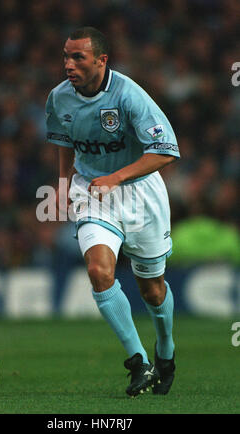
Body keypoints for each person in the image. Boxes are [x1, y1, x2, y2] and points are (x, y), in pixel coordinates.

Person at [45, 27, 179, 397]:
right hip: (92, 191)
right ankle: (139, 362)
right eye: (66, 57)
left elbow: (166, 151)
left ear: (101, 60)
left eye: (78, 58)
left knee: (152, 289)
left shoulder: (131, 95)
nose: (68, 64)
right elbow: (63, 143)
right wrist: (61, 183)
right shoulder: (58, 98)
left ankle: (165, 351)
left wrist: (117, 176)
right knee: (98, 270)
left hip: (139, 193)